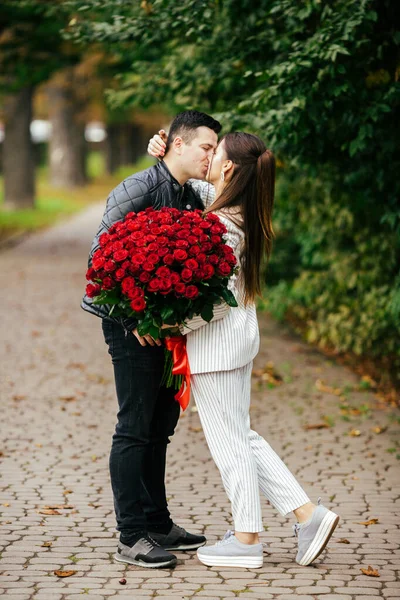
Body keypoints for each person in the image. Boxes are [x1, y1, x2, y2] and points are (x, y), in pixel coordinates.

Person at [148, 130, 340, 569]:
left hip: (217, 346)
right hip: (236, 343)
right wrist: (161, 151)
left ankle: (247, 538)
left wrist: (175, 324)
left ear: (230, 167)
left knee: (229, 442)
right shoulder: (238, 209)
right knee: (243, 437)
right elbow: (196, 183)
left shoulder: (220, 225)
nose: (208, 158)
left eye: (214, 153)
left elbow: (217, 302)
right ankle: (307, 516)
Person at [82, 110, 222, 568]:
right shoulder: (138, 189)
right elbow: (100, 261)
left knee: (159, 428)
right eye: (205, 147)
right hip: (130, 329)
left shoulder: (189, 196)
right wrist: (135, 317)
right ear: (176, 144)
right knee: (134, 428)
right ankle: (131, 535)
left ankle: (158, 523)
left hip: (163, 330)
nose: (211, 156)